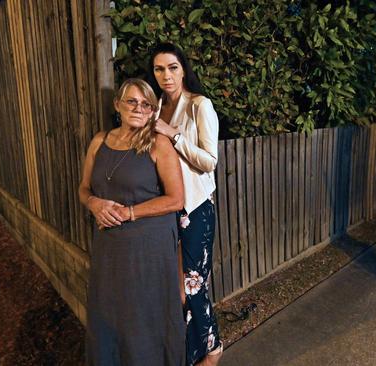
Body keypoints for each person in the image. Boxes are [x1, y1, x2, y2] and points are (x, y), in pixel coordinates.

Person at [79, 78, 185, 366]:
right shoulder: (99, 141)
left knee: (143, 320)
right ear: (118, 105)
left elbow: (176, 199)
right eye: (132, 101)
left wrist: (128, 213)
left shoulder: (158, 144)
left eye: (146, 104)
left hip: (147, 249)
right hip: (109, 248)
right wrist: (94, 203)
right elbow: (84, 189)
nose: (139, 108)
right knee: (109, 315)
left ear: (153, 111)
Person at [146, 43, 222, 366]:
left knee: (193, 289)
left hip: (195, 210)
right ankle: (190, 355)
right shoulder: (156, 106)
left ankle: (213, 350)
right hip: (167, 210)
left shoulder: (198, 106)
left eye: (172, 68)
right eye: (159, 69)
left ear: (183, 68)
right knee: (176, 293)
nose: (166, 76)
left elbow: (209, 161)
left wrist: (174, 135)